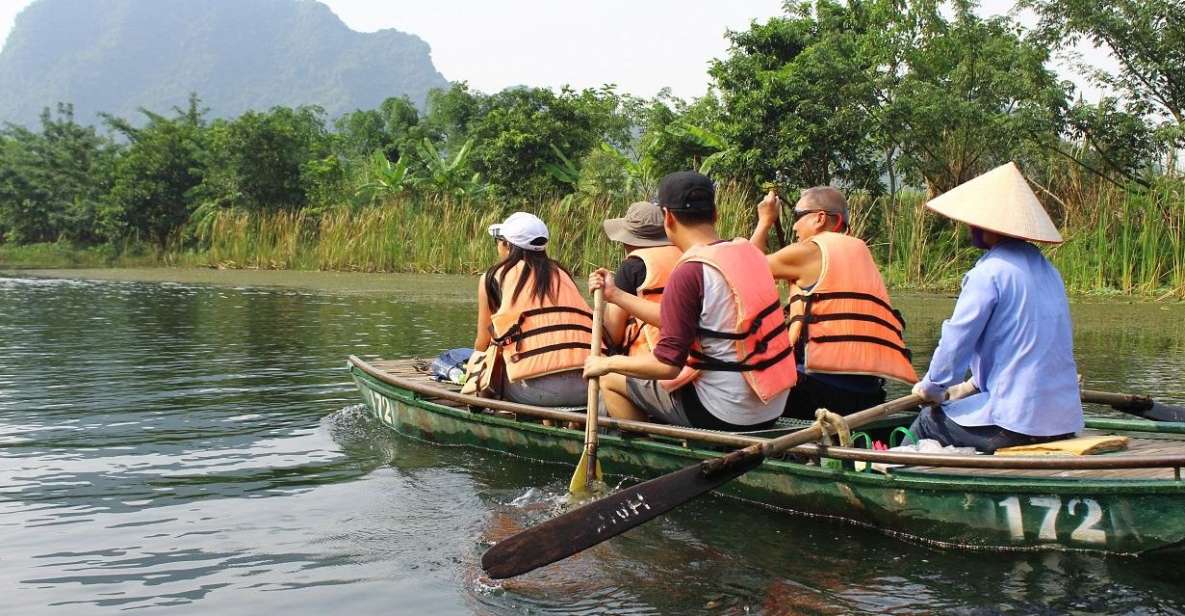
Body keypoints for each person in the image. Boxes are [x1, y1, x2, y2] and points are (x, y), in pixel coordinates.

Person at [583, 171, 796, 431]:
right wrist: (616, 295)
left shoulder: (691, 271)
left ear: (667, 217)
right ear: (715, 214)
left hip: (724, 412)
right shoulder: (748, 252)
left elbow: (667, 366)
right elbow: (673, 319)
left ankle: (647, 460)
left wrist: (606, 363)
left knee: (611, 380)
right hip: (773, 403)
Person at [909, 162, 1084, 453]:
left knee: (927, 421)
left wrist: (931, 388)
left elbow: (957, 340)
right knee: (960, 408)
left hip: (1016, 422)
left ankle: (895, 491)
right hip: (1063, 420)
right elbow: (1021, 344)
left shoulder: (988, 273)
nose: (970, 228)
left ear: (988, 226)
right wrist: (968, 386)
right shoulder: (1048, 270)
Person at [750, 186, 918, 419]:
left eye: (797, 216)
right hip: (869, 394)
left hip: (815, 392)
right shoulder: (861, 251)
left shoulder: (809, 252)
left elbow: (744, 270)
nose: (794, 226)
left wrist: (765, 221)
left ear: (819, 218)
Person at [467, 211, 591, 406]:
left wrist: (472, 372)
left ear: (507, 245)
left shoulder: (493, 277)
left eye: (499, 241)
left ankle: (488, 411)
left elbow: (481, 343)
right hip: (588, 388)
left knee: (486, 357)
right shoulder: (563, 274)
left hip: (534, 393)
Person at [600, 201, 683, 357]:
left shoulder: (632, 267)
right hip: (692, 358)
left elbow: (612, 335)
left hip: (652, 361)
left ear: (628, 239)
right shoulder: (687, 256)